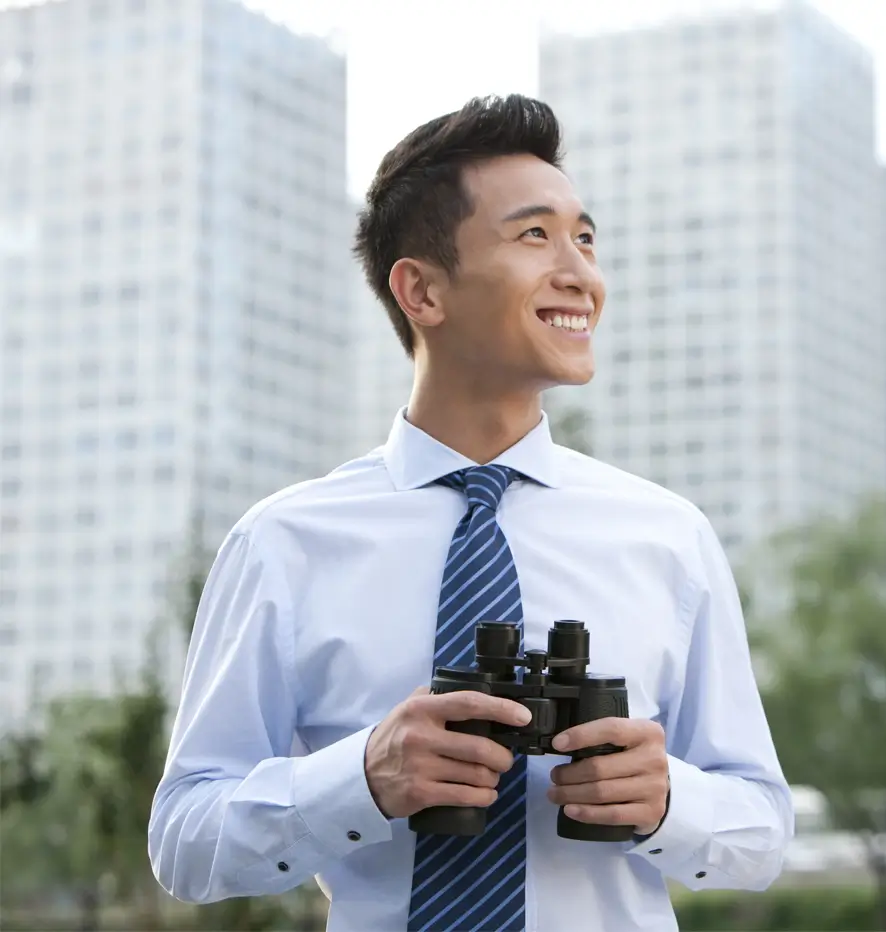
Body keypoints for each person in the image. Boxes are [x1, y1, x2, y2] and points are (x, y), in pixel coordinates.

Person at [148, 94, 793, 931]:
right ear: (421, 290)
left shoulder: (668, 537)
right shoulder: (283, 543)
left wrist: (670, 800)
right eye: (535, 236)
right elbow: (183, 840)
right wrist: (364, 780)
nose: (580, 274)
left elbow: (764, 832)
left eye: (585, 239)